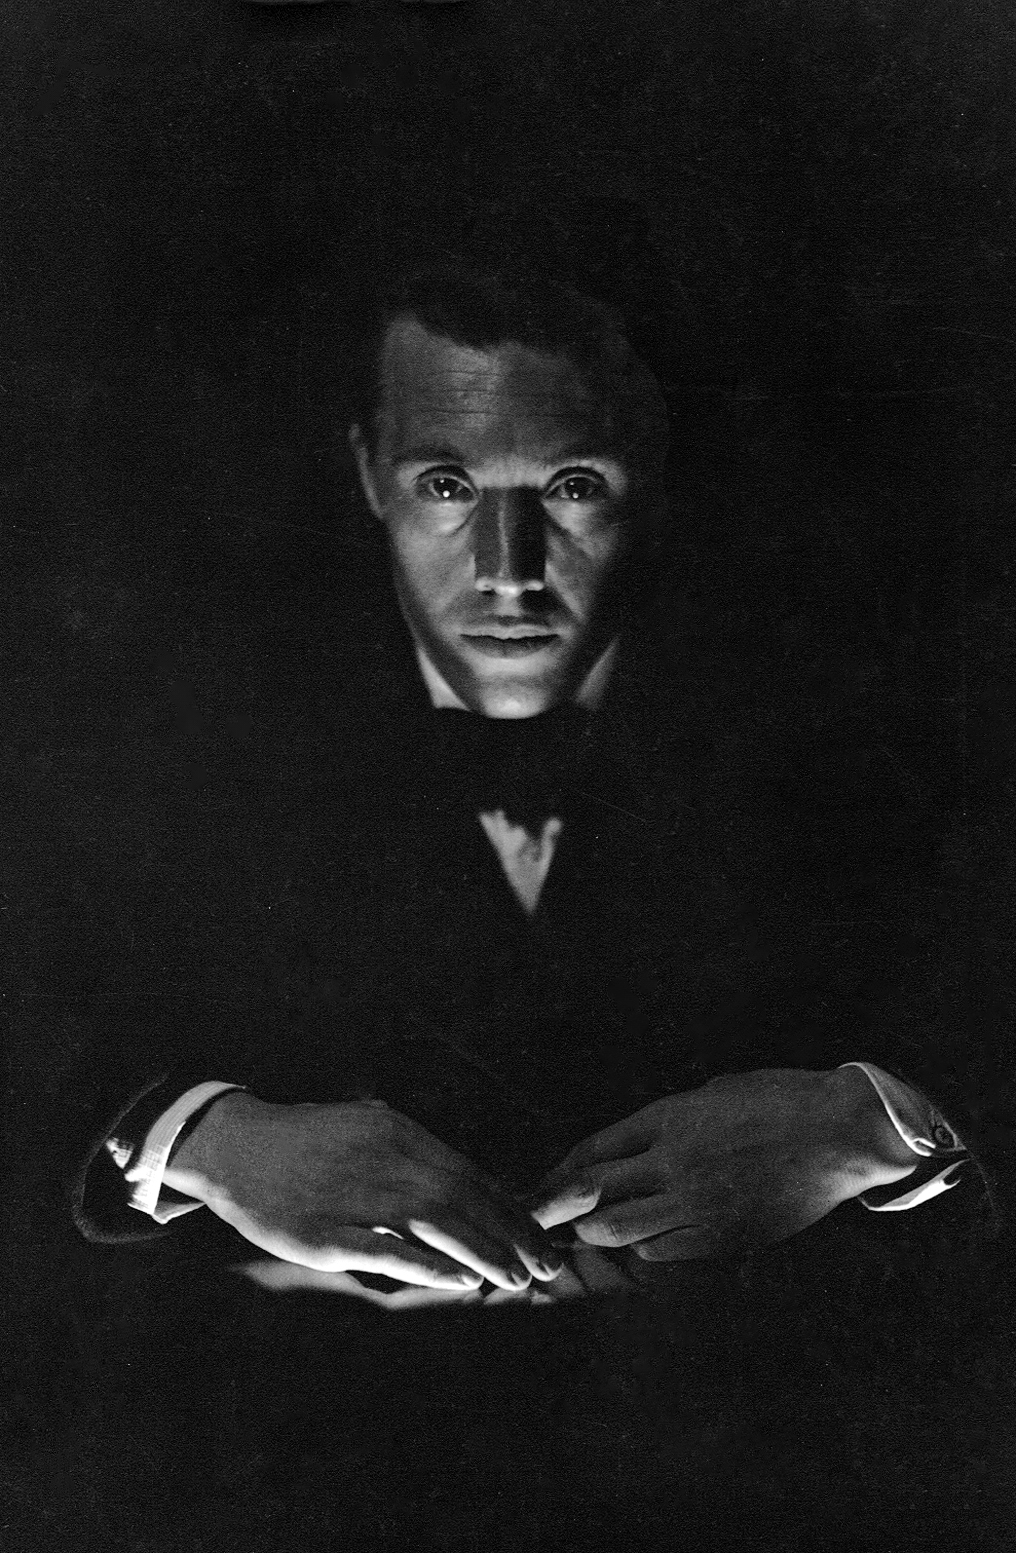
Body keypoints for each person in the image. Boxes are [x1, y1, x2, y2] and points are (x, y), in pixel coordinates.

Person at [9, 265, 1004, 1549]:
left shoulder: (894, 701)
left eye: (571, 487)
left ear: (657, 470)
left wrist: (870, 1120)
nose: (508, 571)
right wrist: (202, 1137)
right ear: (367, 473)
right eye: (446, 485)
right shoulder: (164, 710)